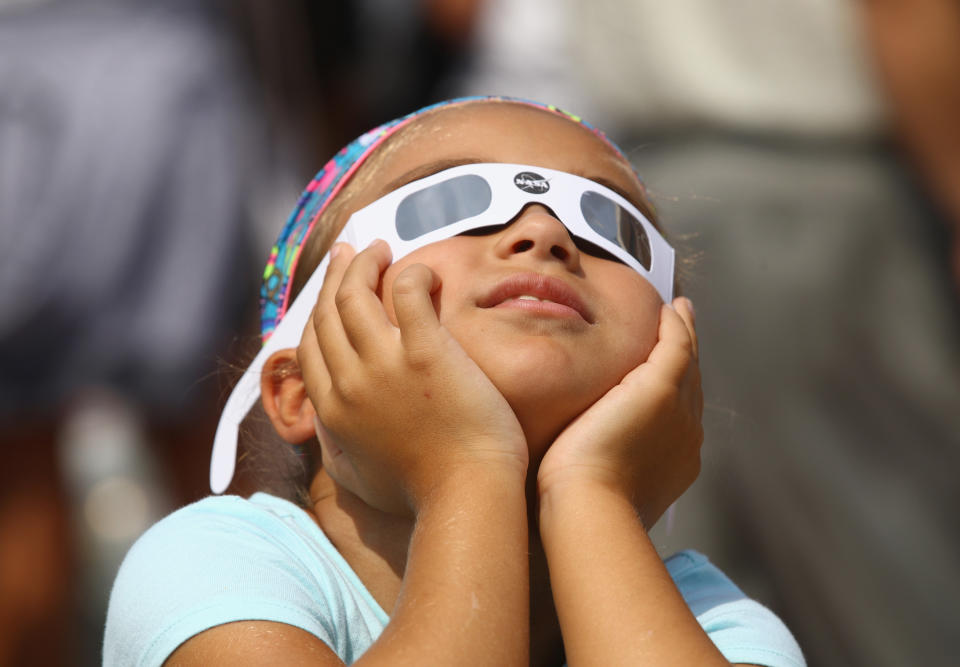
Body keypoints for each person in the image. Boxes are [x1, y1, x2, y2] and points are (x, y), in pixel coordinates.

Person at [103, 96, 804, 666]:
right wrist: (467, 470)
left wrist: (592, 494)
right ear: (299, 389)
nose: (543, 231)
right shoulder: (214, 564)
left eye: (609, 226)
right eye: (451, 206)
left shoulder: (712, 617)